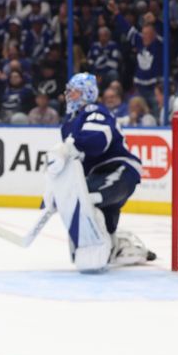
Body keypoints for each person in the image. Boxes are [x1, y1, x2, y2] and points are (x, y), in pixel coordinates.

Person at [46, 73, 153, 272]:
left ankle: (110, 245)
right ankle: (117, 246)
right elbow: (72, 165)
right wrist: (56, 192)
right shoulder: (69, 123)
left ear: (86, 94)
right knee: (85, 202)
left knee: (86, 199)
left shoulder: (94, 111)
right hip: (97, 176)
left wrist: (69, 147)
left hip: (119, 169)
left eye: (74, 91)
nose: (69, 95)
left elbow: (97, 141)